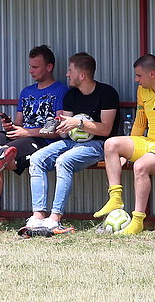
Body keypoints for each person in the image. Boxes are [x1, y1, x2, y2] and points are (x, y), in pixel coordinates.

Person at [0, 45, 68, 231]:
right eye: (30, 66)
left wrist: (27, 132)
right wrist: (10, 126)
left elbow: (59, 130)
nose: (30, 71)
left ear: (49, 67)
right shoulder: (26, 91)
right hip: (18, 138)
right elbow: (19, 123)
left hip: (40, 141)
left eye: (35, 67)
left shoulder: (61, 91)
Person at [93, 54, 155, 234]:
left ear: (152, 74)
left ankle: (137, 221)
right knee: (111, 144)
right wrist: (128, 152)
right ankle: (115, 198)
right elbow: (140, 122)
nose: (136, 80)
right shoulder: (142, 90)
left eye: (139, 75)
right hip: (149, 141)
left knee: (140, 166)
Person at [25, 52, 119, 231]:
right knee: (36, 159)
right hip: (71, 143)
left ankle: (55, 218)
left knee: (63, 161)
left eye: (70, 71)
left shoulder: (107, 93)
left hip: (99, 145)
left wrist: (79, 123)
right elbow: (65, 132)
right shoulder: (70, 95)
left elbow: (106, 129)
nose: (67, 74)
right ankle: (38, 216)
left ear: (81, 75)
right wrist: (58, 127)